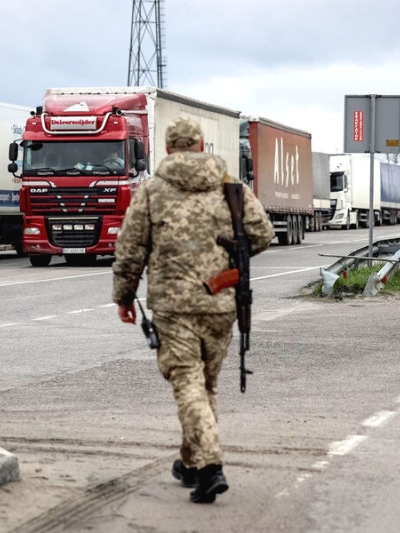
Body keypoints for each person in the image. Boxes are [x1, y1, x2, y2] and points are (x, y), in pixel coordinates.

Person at [111, 117, 274, 504]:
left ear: (168, 149)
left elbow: (130, 248)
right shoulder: (230, 187)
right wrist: (228, 256)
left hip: (173, 306)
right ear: (202, 146)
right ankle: (190, 463)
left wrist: (124, 296)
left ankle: (210, 467)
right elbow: (263, 233)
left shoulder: (151, 191)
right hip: (220, 301)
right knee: (204, 387)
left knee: (188, 384)